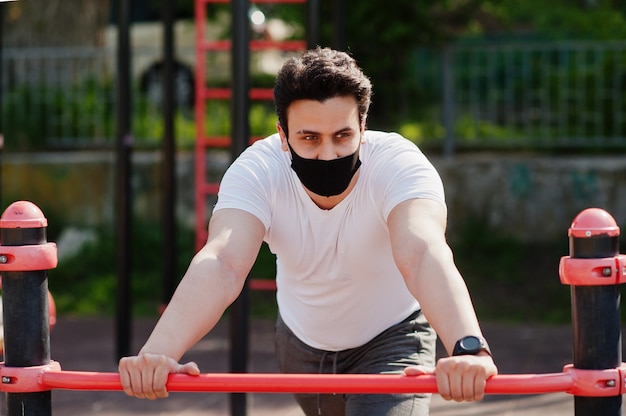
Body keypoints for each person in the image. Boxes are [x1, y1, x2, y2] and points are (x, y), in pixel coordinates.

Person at [119, 47, 498, 415]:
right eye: (310, 138)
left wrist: (467, 348)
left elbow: (422, 252)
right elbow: (223, 261)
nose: (328, 154)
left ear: (363, 129)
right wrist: (159, 353)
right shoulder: (259, 171)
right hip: (301, 349)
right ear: (283, 136)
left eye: (342, 136)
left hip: (392, 340)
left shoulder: (398, 165)